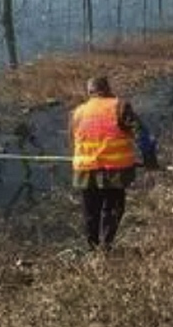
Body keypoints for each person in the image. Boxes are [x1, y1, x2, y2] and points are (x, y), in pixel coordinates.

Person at [69, 76, 142, 251]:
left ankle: (92, 248)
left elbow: (73, 142)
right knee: (114, 207)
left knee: (90, 211)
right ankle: (106, 246)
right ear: (108, 89)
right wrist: (151, 161)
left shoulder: (76, 113)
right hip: (114, 169)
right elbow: (143, 135)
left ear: (89, 92)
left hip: (85, 169)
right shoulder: (120, 106)